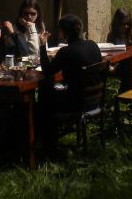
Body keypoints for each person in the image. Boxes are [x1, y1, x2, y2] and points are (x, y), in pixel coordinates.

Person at [37, 14, 102, 153]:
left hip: (77, 103)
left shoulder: (66, 51)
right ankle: (51, 136)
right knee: (50, 90)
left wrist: (42, 46)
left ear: (64, 32)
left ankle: (46, 142)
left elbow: (47, 71)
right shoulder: (93, 45)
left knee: (44, 92)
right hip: (96, 99)